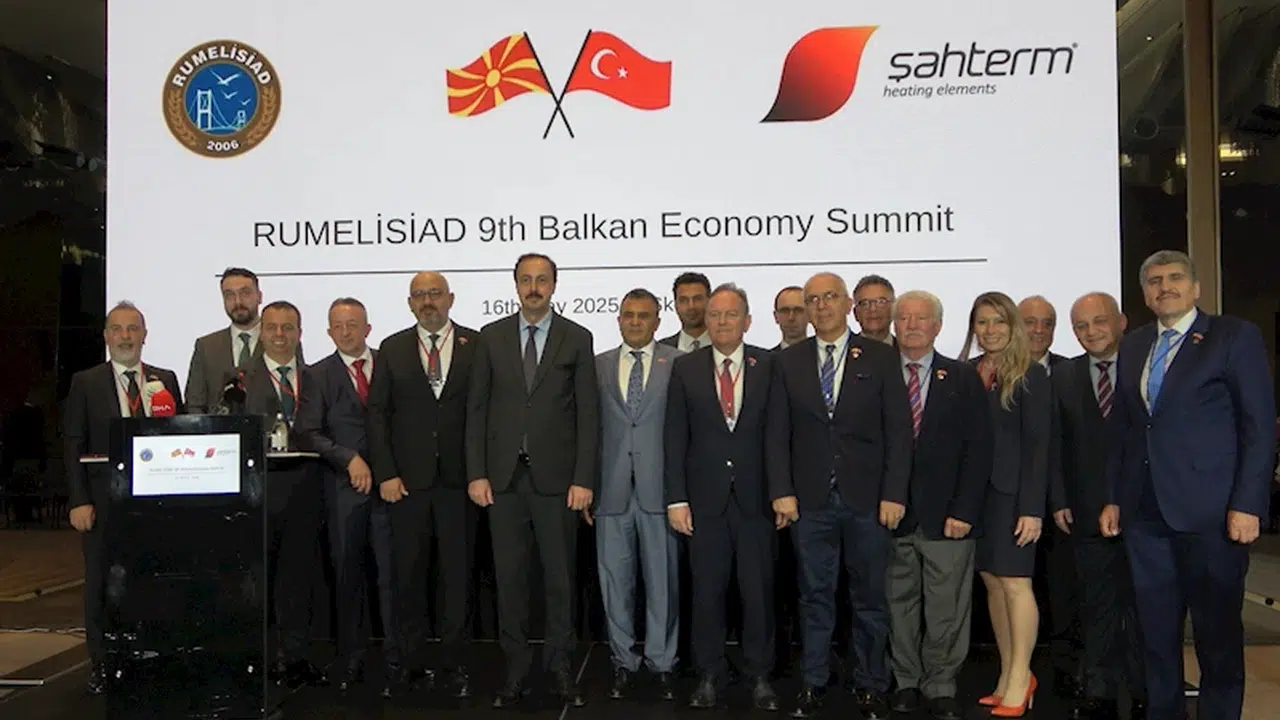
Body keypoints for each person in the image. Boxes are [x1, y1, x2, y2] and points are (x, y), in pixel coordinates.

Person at [1102, 250, 1274, 720]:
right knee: (1156, 635)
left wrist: (1248, 503)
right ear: (1145, 294)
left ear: (1196, 288)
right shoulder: (1135, 344)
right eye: (1155, 281)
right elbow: (1125, 429)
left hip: (1213, 515)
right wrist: (1114, 498)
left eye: (1175, 277)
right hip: (1145, 515)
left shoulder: (1233, 336)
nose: (1165, 287)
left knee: (1217, 636)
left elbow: (1258, 427)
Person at [766, 272, 912, 719]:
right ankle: (813, 683)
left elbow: (899, 433)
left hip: (868, 499)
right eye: (813, 299)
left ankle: (871, 684)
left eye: (830, 297)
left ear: (848, 304)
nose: (822, 305)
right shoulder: (789, 361)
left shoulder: (881, 356)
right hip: (809, 501)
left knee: (869, 598)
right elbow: (777, 433)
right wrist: (782, 491)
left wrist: (894, 493)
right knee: (814, 596)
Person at [466, 253, 598, 708]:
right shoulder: (491, 337)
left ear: (554, 286)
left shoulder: (577, 337)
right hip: (503, 481)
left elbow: (588, 415)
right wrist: (477, 472)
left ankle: (560, 667)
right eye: (526, 280)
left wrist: (584, 478)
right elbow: (477, 410)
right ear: (516, 285)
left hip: (558, 482)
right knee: (510, 580)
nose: (534, 287)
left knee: (560, 580)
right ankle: (516, 668)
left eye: (542, 280)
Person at [666, 282, 779, 711]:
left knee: (758, 594)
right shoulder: (686, 368)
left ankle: (759, 675)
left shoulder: (769, 365)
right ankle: (709, 674)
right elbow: (675, 437)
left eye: (731, 315)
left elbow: (779, 435)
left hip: (757, 501)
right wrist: (676, 499)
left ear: (747, 321)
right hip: (704, 504)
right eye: (715, 315)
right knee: (706, 593)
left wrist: (782, 493)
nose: (722, 322)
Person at [367, 271, 478, 698]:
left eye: (435, 293)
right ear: (410, 303)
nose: (428, 301)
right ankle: (409, 665)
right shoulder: (392, 348)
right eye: (419, 295)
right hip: (406, 484)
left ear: (451, 298)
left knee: (457, 578)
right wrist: (386, 473)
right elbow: (378, 415)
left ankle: (456, 665)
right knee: (408, 578)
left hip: (459, 482)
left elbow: (485, 412)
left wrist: (480, 472)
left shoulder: (476, 344)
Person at [62, 301, 183, 694]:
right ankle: (102, 665)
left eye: (133, 329)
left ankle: (152, 659)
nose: (125, 336)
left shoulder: (165, 380)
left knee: (154, 583)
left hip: (156, 505)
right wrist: (79, 500)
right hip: (103, 503)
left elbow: (180, 438)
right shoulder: (85, 382)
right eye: (117, 329)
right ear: (106, 337)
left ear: (145, 335)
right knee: (101, 585)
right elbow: (73, 443)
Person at [885, 290, 993, 720]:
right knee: (899, 605)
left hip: (948, 516)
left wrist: (965, 510)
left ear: (938, 326)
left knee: (947, 607)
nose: (912, 325)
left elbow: (979, 450)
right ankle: (906, 681)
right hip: (891, 516)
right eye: (904, 318)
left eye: (921, 318)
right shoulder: (876, 375)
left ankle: (941, 684)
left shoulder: (962, 377)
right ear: (894, 325)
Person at [292, 297, 398, 693]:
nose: (345, 331)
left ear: (368, 329)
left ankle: (397, 659)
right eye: (338, 325)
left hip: (390, 489)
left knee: (392, 578)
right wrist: (349, 458)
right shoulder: (317, 374)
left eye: (353, 324)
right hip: (343, 491)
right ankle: (351, 659)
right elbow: (307, 432)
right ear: (328, 332)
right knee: (348, 577)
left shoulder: (390, 365)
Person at [1049, 292, 1146, 719]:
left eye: (1099, 321)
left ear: (1121, 322)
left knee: (1145, 607)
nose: (1091, 332)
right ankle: (1100, 688)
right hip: (1084, 510)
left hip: (1145, 510)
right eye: (1081, 326)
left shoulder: (1147, 366)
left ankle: (1145, 690)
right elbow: (1054, 443)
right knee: (1095, 605)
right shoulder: (1063, 375)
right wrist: (1058, 499)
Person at [959, 291, 1050, 718]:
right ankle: (1009, 674)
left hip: (1014, 499)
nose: (990, 330)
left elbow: (1038, 446)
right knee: (993, 583)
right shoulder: (969, 372)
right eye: (982, 322)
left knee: (1016, 584)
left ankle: (1020, 677)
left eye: (998, 321)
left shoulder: (1031, 373)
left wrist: (1032, 508)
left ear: (1013, 326)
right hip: (978, 498)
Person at [590, 288, 681, 701]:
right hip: (610, 491)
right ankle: (623, 662)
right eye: (628, 314)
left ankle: (662, 663)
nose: (635, 321)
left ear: (658, 321)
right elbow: (589, 431)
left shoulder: (677, 364)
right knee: (614, 584)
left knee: (663, 583)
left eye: (644, 315)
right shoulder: (598, 366)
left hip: (660, 491)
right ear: (619, 320)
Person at [242, 300, 327, 688]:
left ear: (299, 333)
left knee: (298, 581)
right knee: (259, 581)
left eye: (288, 327)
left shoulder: (315, 377)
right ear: (261, 333)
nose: (280, 335)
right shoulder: (239, 381)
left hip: (306, 489)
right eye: (273, 327)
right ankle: (260, 661)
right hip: (259, 493)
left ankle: (297, 659)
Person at [185, 267, 303, 413]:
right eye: (229, 295)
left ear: (259, 296)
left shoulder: (282, 340)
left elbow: (298, 391)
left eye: (245, 293)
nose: (238, 301)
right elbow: (194, 405)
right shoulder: (206, 347)